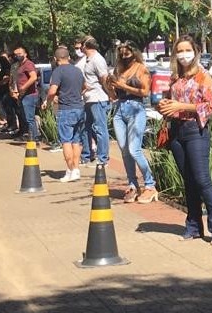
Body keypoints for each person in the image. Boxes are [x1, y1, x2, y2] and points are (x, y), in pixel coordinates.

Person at [158, 35, 212, 243]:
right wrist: (165, 106)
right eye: (179, 51)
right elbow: (171, 101)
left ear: (195, 51)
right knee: (188, 182)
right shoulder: (175, 77)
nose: (183, 55)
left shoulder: (202, 76)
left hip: (196, 130)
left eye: (187, 50)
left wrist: (182, 107)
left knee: (202, 180)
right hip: (177, 130)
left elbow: (210, 105)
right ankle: (194, 226)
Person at [106, 41, 157, 203]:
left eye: (126, 53)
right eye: (121, 53)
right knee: (124, 150)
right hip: (120, 109)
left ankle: (150, 184)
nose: (123, 55)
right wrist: (109, 85)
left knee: (134, 149)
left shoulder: (141, 68)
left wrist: (124, 86)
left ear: (134, 53)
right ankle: (133, 185)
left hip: (136, 109)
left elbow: (145, 91)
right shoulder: (119, 69)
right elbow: (113, 96)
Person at [42, 46, 87, 182]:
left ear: (56, 59)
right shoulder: (78, 70)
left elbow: (52, 91)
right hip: (80, 107)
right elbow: (85, 87)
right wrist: (77, 95)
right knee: (76, 140)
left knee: (66, 141)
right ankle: (76, 169)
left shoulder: (58, 71)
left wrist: (48, 102)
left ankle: (70, 170)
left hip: (66, 109)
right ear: (68, 57)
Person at [76, 37, 111, 167]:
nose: (79, 48)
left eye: (81, 45)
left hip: (98, 98)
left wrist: (110, 94)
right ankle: (86, 155)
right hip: (88, 99)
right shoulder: (87, 60)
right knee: (85, 127)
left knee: (100, 128)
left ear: (86, 45)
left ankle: (103, 158)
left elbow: (104, 79)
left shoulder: (97, 60)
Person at [11, 45, 39, 142]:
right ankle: (32, 136)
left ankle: (34, 138)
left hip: (30, 95)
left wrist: (23, 87)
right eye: (16, 54)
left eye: (19, 54)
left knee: (29, 118)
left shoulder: (28, 64)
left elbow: (34, 77)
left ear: (25, 54)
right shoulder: (20, 65)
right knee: (27, 117)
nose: (17, 56)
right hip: (23, 95)